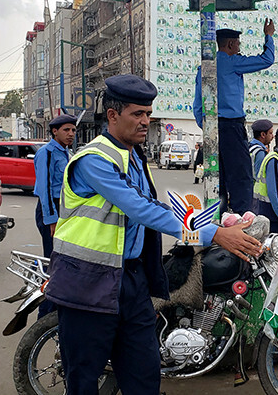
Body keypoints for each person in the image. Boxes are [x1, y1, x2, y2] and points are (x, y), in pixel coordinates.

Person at [44, 74, 261, 394]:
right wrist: (212, 234)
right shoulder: (95, 160)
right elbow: (141, 209)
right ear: (113, 116)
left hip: (131, 281)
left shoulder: (132, 157)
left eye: (149, 113)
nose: (146, 121)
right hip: (87, 283)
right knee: (84, 380)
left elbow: (156, 211)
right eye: (138, 114)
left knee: (144, 376)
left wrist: (216, 224)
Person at [193, 21, 276, 214]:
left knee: (217, 176)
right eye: (238, 44)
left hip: (212, 128)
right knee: (241, 176)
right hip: (232, 127)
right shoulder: (233, 62)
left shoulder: (204, 67)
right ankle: (241, 219)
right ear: (230, 44)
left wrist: (205, 127)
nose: (239, 48)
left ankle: (217, 219)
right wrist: (268, 35)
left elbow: (197, 104)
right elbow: (266, 60)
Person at [33, 114, 76, 317]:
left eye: (73, 130)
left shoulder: (65, 153)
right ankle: (46, 314)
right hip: (50, 210)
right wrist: (51, 220)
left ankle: (57, 308)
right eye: (66, 130)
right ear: (55, 131)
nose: (71, 134)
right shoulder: (47, 153)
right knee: (53, 264)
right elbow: (44, 188)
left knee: (61, 262)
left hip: (63, 211)